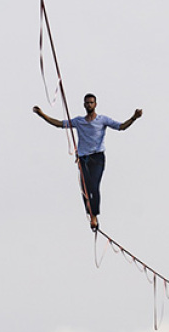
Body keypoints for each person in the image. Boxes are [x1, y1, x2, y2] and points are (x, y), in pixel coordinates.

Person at [33, 94, 142, 230]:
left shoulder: (103, 120)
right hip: (83, 159)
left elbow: (121, 127)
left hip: (97, 158)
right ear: (84, 105)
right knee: (85, 188)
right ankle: (90, 215)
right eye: (87, 103)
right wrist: (42, 115)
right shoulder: (79, 121)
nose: (89, 105)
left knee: (94, 187)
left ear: (95, 104)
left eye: (91, 102)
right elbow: (59, 124)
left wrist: (133, 118)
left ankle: (94, 216)